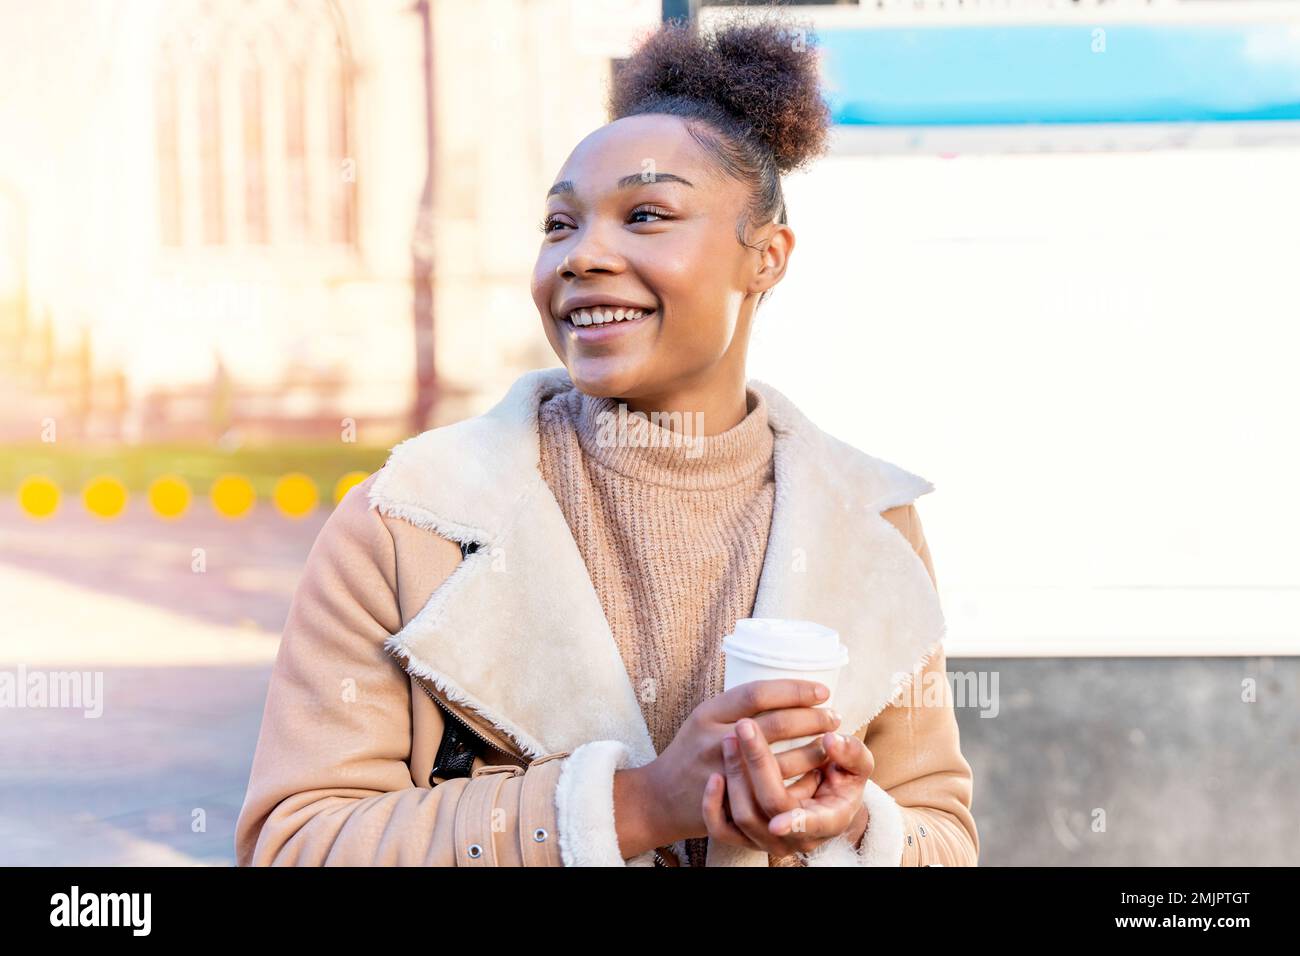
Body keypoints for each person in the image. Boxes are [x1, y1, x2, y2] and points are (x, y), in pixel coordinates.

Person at [235, 14, 978, 868]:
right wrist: (633, 805)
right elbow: (295, 845)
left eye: (647, 215)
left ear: (766, 257)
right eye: (560, 225)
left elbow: (943, 836)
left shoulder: (873, 528)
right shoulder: (408, 525)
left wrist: (850, 825)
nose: (584, 255)